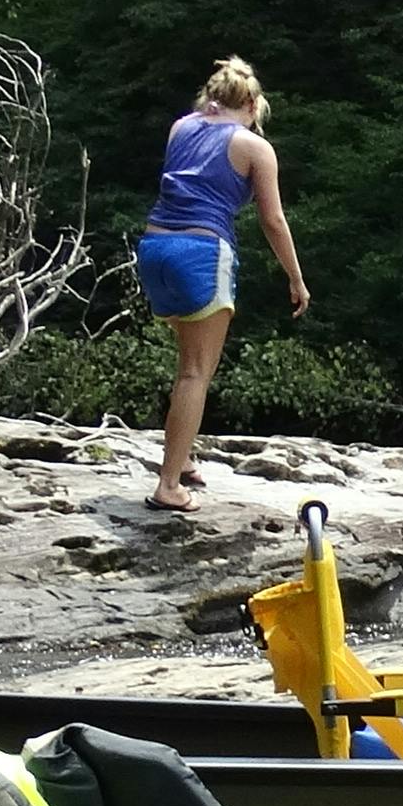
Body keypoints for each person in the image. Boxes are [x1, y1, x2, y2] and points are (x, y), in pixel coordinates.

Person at [131, 57, 307, 508]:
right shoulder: (254, 148)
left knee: (186, 360)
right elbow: (272, 219)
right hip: (202, 253)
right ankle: (169, 485)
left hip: (154, 249)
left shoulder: (180, 128)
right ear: (251, 104)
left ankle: (183, 458)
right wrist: (295, 277)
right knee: (196, 371)